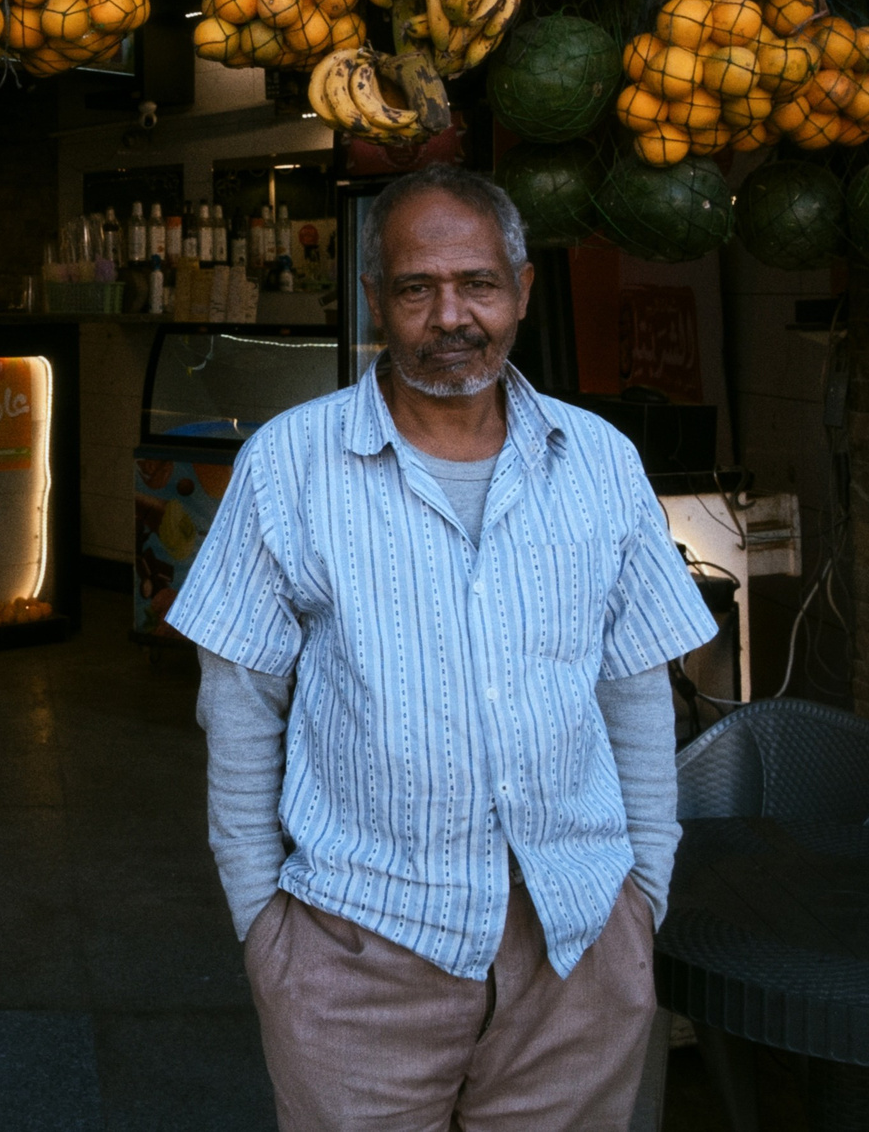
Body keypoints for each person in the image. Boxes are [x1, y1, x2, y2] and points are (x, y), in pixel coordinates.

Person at [166, 164, 716, 1132]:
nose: (450, 315)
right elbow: (239, 708)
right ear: (376, 298)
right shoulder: (288, 466)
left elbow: (636, 693)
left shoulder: (599, 462)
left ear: (522, 289)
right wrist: (266, 934)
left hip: (575, 953)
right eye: (417, 288)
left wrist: (642, 895)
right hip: (356, 964)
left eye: (478, 285)